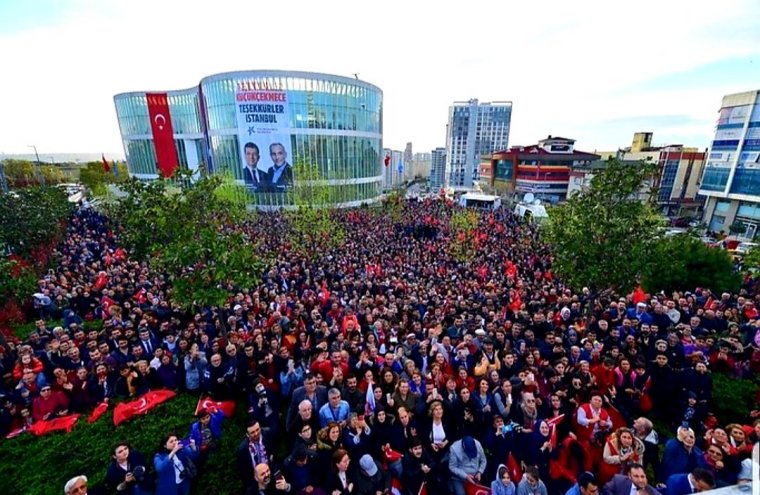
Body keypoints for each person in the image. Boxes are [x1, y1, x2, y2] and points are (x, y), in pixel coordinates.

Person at [238, 420, 275, 489]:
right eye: (252, 432)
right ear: (247, 434)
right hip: (255, 481)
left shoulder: (267, 434)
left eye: (257, 430)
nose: (256, 433)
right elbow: (243, 471)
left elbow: (273, 449)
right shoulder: (243, 449)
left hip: (269, 473)